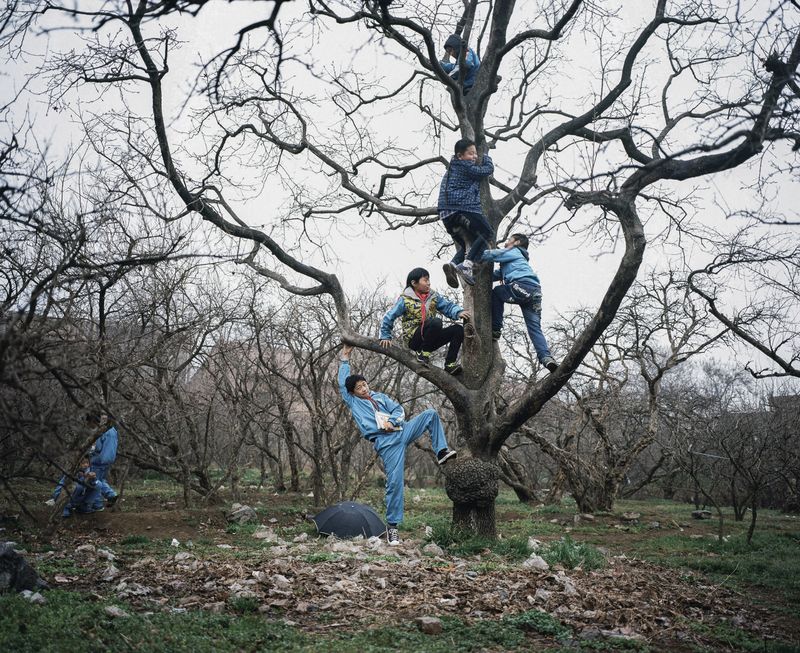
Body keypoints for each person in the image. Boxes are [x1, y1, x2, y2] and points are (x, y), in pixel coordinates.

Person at [338, 344, 457, 545]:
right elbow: (342, 384)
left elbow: (398, 410)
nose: (364, 388)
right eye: (359, 388)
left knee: (430, 414)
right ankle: (392, 527)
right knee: (395, 483)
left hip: (402, 431)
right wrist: (345, 358)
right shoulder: (353, 402)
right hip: (387, 444)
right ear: (353, 392)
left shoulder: (380, 397)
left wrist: (392, 422)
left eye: (364, 384)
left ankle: (441, 451)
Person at [481, 233, 559, 373]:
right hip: (534, 292)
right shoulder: (517, 259)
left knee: (498, 292)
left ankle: (496, 329)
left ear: (517, 242)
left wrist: (473, 254)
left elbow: (490, 255)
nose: (506, 243)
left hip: (523, 286)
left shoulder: (513, 251)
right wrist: (477, 275)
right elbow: (493, 275)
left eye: (509, 240)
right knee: (534, 328)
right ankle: (546, 358)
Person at [380, 267, 470, 375]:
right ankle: (422, 354)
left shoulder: (433, 296)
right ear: (414, 283)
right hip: (414, 339)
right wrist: (385, 335)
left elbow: (448, 306)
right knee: (436, 322)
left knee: (458, 330)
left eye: (429, 280)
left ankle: (449, 364)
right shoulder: (405, 299)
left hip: (431, 338)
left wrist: (458, 312)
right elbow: (390, 316)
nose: (429, 283)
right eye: (425, 280)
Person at [437, 138, 494, 287]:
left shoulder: (453, 169)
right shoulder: (464, 166)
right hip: (460, 208)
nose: (474, 157)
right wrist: (486, 157)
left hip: (446, 215)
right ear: (460, 156)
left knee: (467, 245)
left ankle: (453, 264)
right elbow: (486, 170)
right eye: (470, 154)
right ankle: (467, 265)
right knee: (486, 233)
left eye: (475, 153)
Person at [87, 413, 119, 508]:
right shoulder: (113, 430)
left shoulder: (101, 431)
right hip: (109, 459)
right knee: (101, 479)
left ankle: (97, 504)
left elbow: (97, 447)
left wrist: (89, 451)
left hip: (99, 459)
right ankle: (111, 495)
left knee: (95, 481)